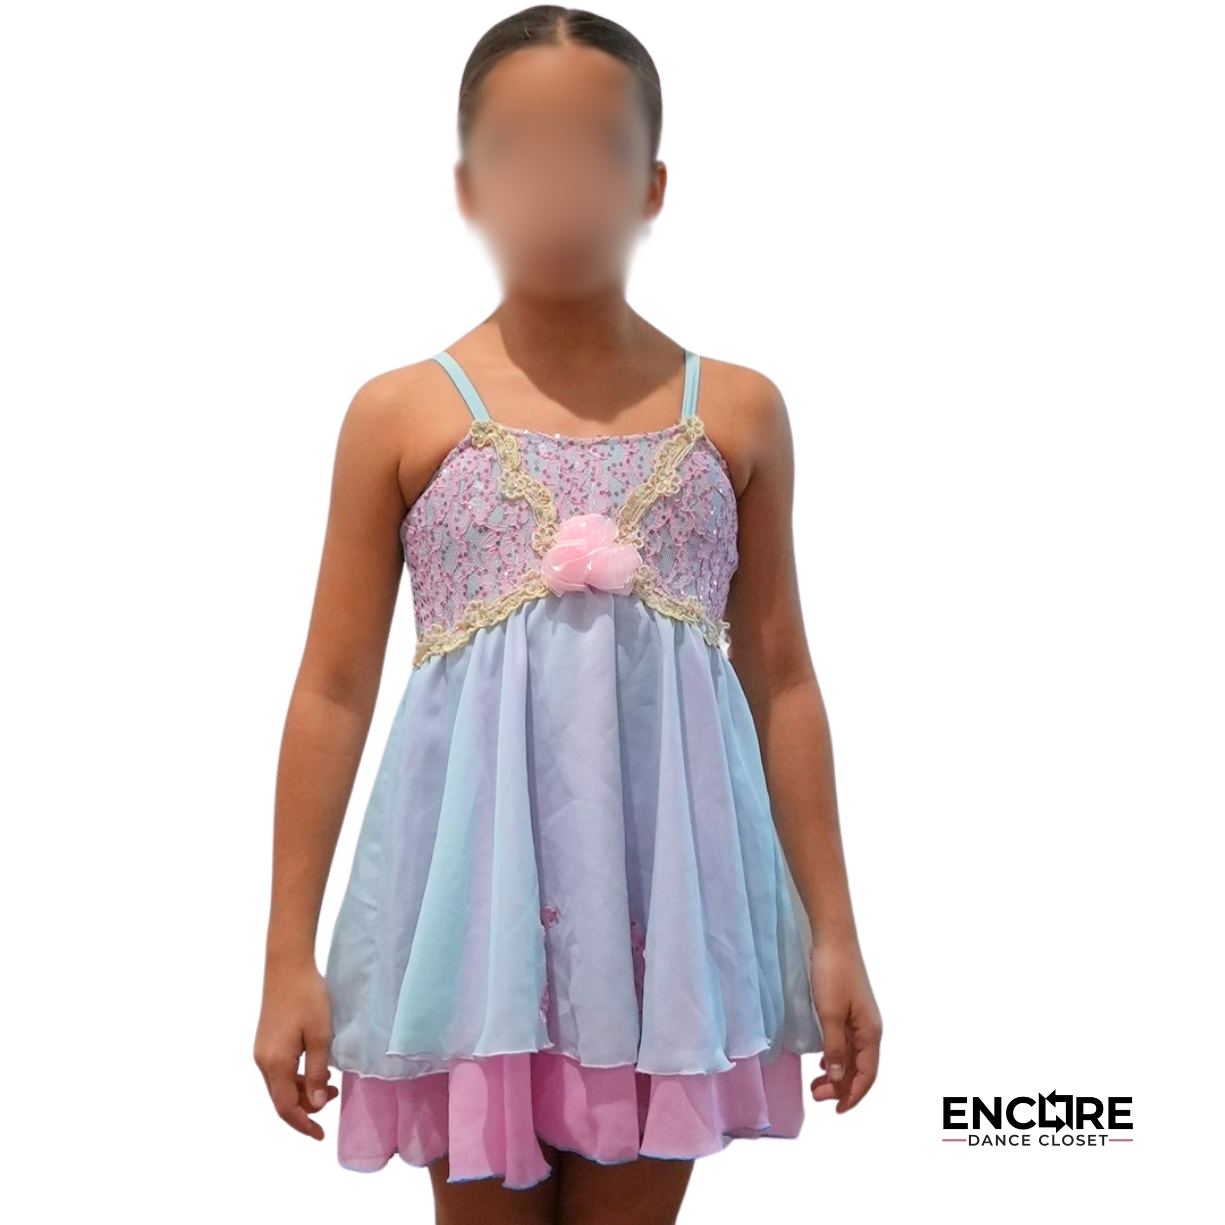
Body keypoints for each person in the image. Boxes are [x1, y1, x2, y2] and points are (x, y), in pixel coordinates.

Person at [253, 6, 882, 1223]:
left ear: (650, 185)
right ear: (467, 187)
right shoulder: (398, 415)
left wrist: (835, 930)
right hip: (470, 923)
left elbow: (783, 675)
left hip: (668, 928)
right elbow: (329, 689)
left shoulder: (736, 413)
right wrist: (287, 952)